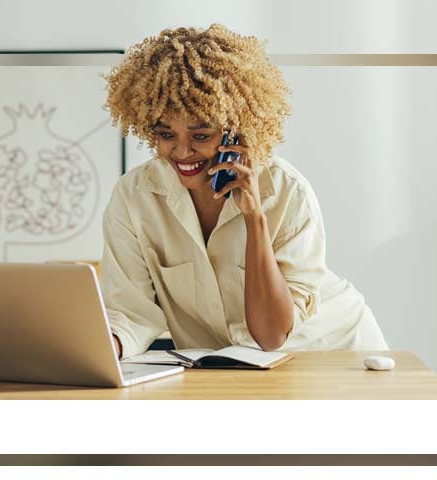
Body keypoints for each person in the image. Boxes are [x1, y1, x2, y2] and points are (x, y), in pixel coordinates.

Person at [98, 24, 387, 359]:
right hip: (233, 364)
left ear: (236, 131)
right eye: (166, 134)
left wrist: (254, 217)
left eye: (201, 135)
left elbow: (272, 334)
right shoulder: (135, 197)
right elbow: (132, 312)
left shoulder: (285, 191)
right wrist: (108, 344)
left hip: (331, 353)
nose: (181, 151)